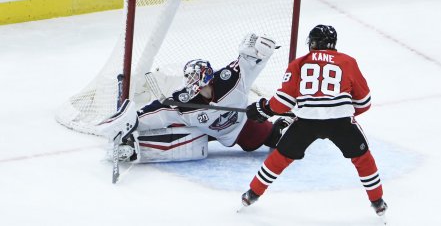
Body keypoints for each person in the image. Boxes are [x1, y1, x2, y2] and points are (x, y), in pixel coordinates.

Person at [241, 25, 388, 217]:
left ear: (313, 43)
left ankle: (252, 194)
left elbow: (283, 102)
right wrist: (342, 112)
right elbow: (364, 102)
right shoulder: (348, 62)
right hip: (340, 122)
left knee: (280, 157)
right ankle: (377, 202)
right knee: (363, 158)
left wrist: (264, 109)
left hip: (306, 122)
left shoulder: (299, 63)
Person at [97, 33, 291, 163]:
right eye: (189, 78)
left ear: (206, 75)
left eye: (194, 77)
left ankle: (286, 123)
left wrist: (261, 53)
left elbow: (247, 62)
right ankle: (131, 146)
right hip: (207, 132)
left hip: (242, 126)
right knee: (180, 137)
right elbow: (161, 110)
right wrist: (135, 120)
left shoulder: (229, 79)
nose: (190, 82)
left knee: (271, 138)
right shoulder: (185, 102)